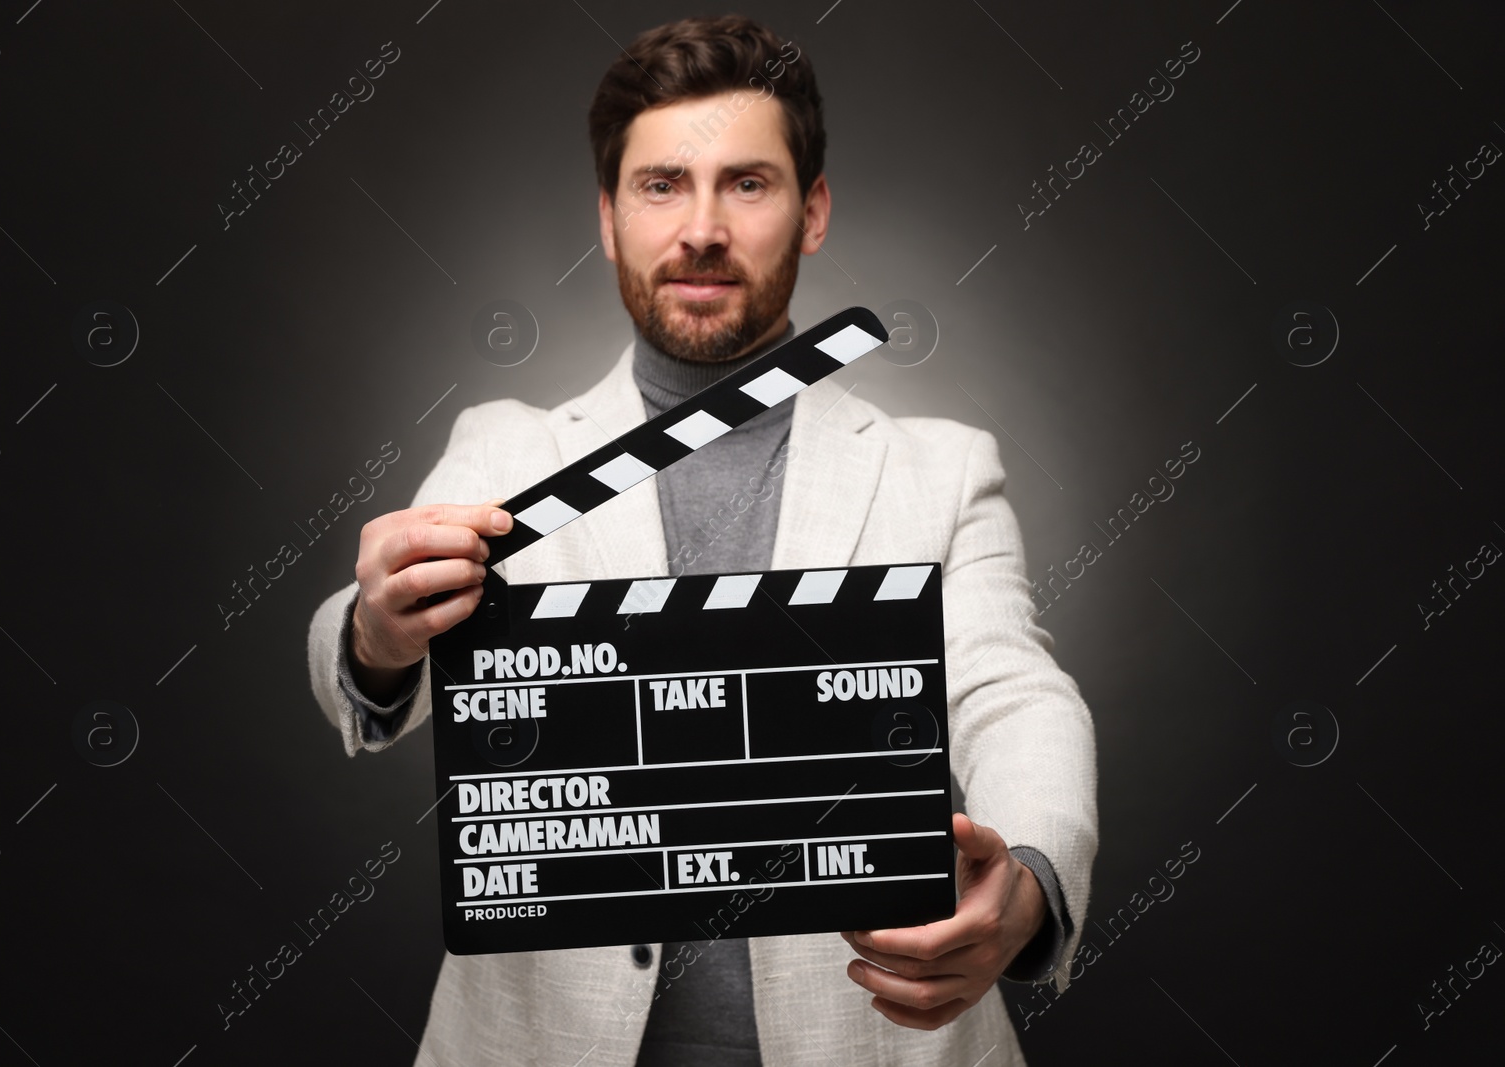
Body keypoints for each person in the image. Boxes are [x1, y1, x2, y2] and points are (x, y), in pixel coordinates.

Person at [306, 15, 1096, 1066]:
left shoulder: (938, 467)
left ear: (811, 211)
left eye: (749, 183)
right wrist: (375, 633)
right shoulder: (505, 451)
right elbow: (358, 649)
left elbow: (1013, 689)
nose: (702, 229)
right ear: (608, 216)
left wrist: (1030, 878)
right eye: (662, 184)